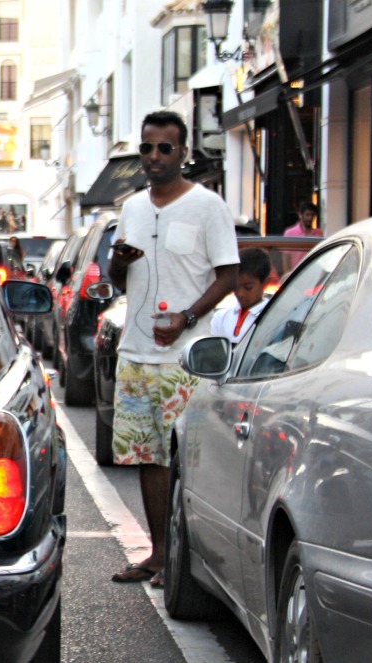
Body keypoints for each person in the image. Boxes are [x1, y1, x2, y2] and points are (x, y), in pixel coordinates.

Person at [106, 110, 240, 587]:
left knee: (184, 459)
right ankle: (159, 554)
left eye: (165, 148)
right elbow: (117, 280)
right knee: (146, 457)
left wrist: (188, 316)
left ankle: (186, 558)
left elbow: (228, 274)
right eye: (147, 148)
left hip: (184, 358)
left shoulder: (208, 207)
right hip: (136, 351)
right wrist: (118, 263)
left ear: (183, 153)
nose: (154, 157)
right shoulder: (133, 208)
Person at [210, 248, 270, 345]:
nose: (240, 293)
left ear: (265, 283)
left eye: (248, 287)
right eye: (235, 287)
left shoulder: (272, 318)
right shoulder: (220, 317)